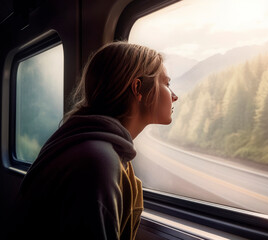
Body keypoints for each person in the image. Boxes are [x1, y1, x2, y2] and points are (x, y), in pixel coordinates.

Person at [7, 42, 178, 240]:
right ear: (138, 88)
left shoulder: (95, 149)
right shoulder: (96, 162)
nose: (174, 96)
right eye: (166, 83)